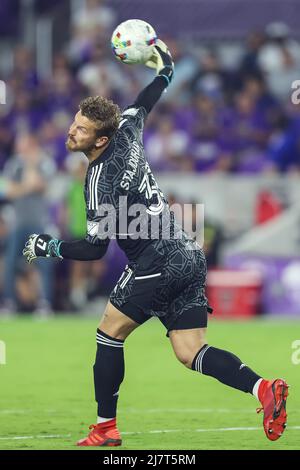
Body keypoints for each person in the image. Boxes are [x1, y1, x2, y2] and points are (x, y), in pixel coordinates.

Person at [23, 41, 288, 446]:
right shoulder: (126, 128)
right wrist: (164, 70)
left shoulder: (99, 181)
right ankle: (263, 389)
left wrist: (49, 247)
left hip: (154, 264)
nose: (70, 131)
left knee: (109, 333)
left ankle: (105, 429)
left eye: (80, 129)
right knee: (189, 350)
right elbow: (146, 99)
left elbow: (95, 250)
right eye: (74, 122)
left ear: (98, 141)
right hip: (186, 252)